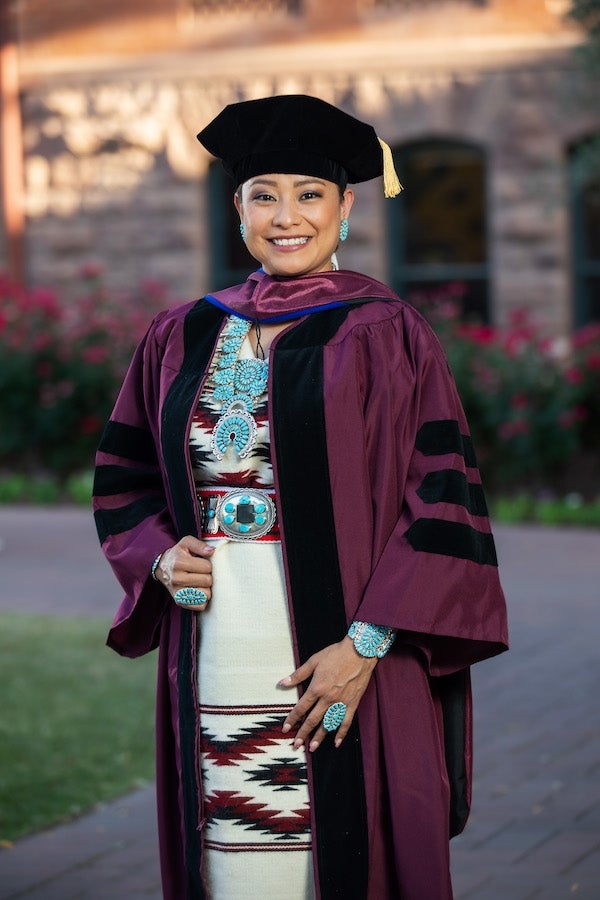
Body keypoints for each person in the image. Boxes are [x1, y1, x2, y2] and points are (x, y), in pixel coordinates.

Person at [93, 94, 508, 900]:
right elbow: (125, 475)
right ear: (236, 204)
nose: (287, 216)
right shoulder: (182, 334)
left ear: (346, 206)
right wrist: (158, 556)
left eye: (309, 194)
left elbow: (441, 496)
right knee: (236, 864)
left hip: (348, 650)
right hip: (216, 646)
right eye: (264, 194)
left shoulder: (385, 332)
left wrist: (368, 647)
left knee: (350, 858)